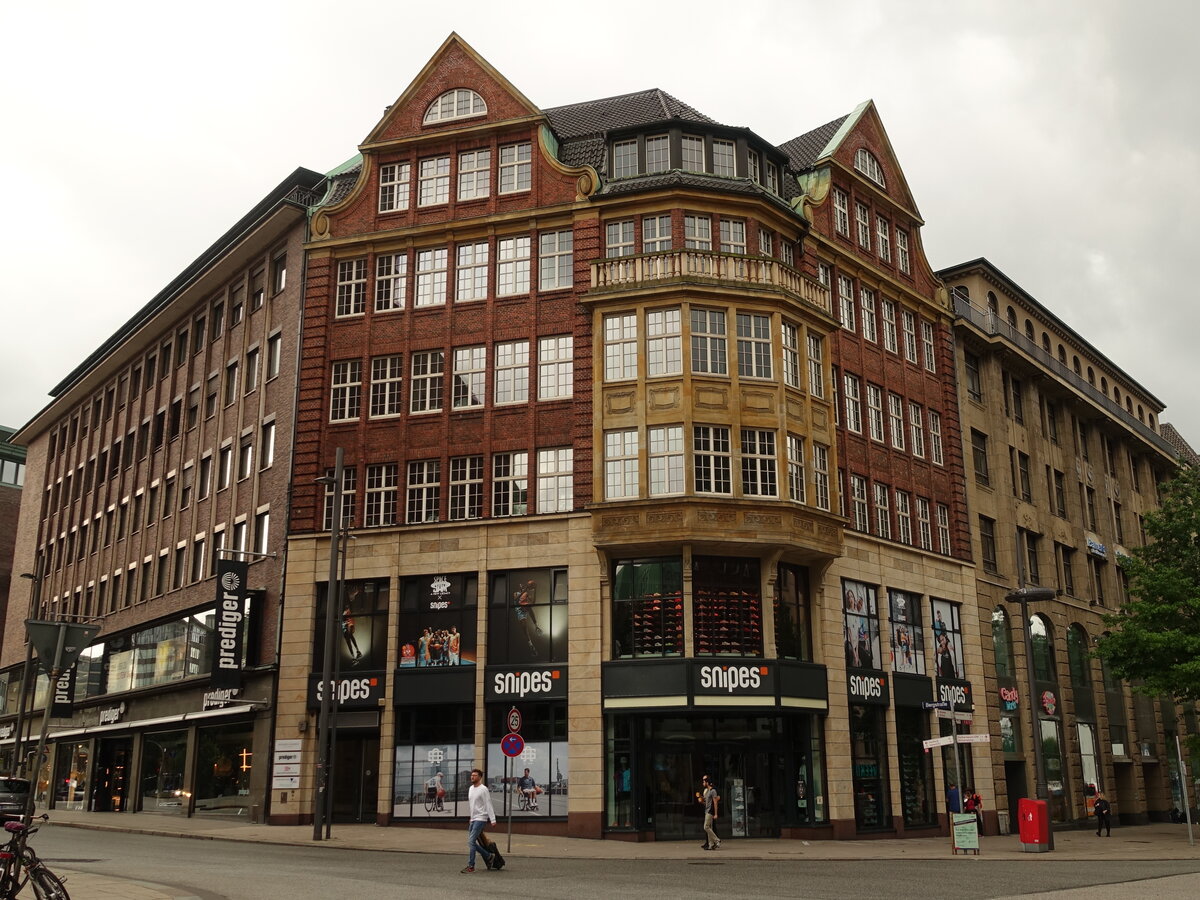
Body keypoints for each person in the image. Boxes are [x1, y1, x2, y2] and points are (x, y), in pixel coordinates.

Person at [462, 768, 496, 873]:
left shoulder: (483, 789)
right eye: (472, 775)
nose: (472, 777)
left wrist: (492, 819)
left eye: (475, 775)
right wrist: (471, 817)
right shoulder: (471, 788)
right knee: (471, 843)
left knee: (471, 842)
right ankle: (489, 856)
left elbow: (488, 803)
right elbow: (472, 805)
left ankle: (471, 866)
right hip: (473, 819)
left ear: (480, 777)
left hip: (481, 818)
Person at [699, 774, 721, 850]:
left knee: (706, 827)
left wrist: (716, 813)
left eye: (704, 781)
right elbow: (706, 803)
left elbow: (715, 802)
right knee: (709, 827)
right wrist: (702, 801)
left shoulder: (713, 791)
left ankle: (717, 840)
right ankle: (711, 845)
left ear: (707, 782)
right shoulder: (707, 791)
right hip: (707, 811)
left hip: (710, 811)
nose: (703, 783)